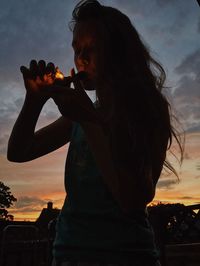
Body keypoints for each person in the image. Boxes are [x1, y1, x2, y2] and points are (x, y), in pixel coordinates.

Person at [7, 1, 183, 266]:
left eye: (91, 49)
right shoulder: (81, 114)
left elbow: (133, 200)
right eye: (77, 50)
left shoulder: (146, 108)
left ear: (118, 53)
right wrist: (34, 100)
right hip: (67, 255)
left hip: (126, 257)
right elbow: (19, 152)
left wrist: (88, 119)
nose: (81, 59)